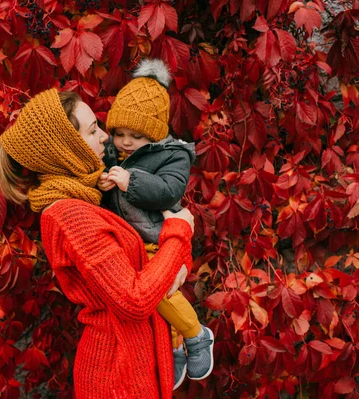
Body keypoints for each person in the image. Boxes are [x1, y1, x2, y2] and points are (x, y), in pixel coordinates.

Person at [0, 87, 195, 398]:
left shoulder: (91, 198)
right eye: (92, 130)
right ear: (66, 147)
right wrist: (179, 233)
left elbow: (150, 263)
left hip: (134, 365)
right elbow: (134, 300)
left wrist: (177, 260)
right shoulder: (70, 216)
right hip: (116, 376)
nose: (104, 137)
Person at [97, 58, 214, 390]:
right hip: (128, 241)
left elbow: (168, 191)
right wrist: (103, 182)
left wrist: (129, 181)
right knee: (154, 302)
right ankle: (177, 347)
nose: (126, 143)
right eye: (119, 133)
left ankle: (196, 335)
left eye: (136, 135)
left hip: (158, 236)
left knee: (159, 292)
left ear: (156, 132)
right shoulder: (111, 152)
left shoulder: (173, 155)